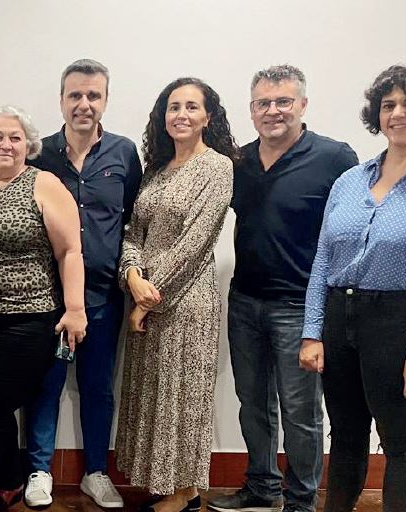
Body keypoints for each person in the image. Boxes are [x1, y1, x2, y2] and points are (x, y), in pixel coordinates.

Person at [300, 58, 406, 512]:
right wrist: (313, 332)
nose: (398, 113)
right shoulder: (349, 181)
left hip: (399, 323)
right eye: (389, 104)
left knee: (402, 440)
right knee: (346, 434)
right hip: (339, 317)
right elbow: (323, 260)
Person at [208, 65, 358, 512]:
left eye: (283, 102)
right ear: (252, 110)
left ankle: (300, 501)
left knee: (301, 413)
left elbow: (351, 234)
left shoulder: (335, 158)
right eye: (263, 103)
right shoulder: (239, 162)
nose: (273, 111)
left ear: (303, 105)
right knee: (252, 405)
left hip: (302, 308)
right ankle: (261, 487)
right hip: (244, 301)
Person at [0, 105, 86, 512]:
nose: (6, 144)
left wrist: (75, 308)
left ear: (28, 145)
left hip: (23, 319)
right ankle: (9, 479)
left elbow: (70, 251)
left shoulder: (43, 184)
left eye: (15, 137)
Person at [23, 58, 142, 510]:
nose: (84, 104)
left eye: (94, 95)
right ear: (61, 100)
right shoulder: (39, 155)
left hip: (103, 298)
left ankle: (96, 472)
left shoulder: (124, 153)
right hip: (47, 297)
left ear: (106, 100)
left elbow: (133, 222)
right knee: (45, 386)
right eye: (75, 95)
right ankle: (39, 470)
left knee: (98, 387)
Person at [116, 77, 236, 512]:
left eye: (191, 106)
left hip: (187, 302)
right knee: (155, 400)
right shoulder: (156, 170)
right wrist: (132, 275)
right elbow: (133, 232)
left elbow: (194, 244)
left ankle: (185, 492)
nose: (181, 114)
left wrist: (146, 299)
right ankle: (169, 487)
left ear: (208, 116)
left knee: (183, 399)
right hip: (146, 297)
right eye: (173, 107)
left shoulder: (217, 168)